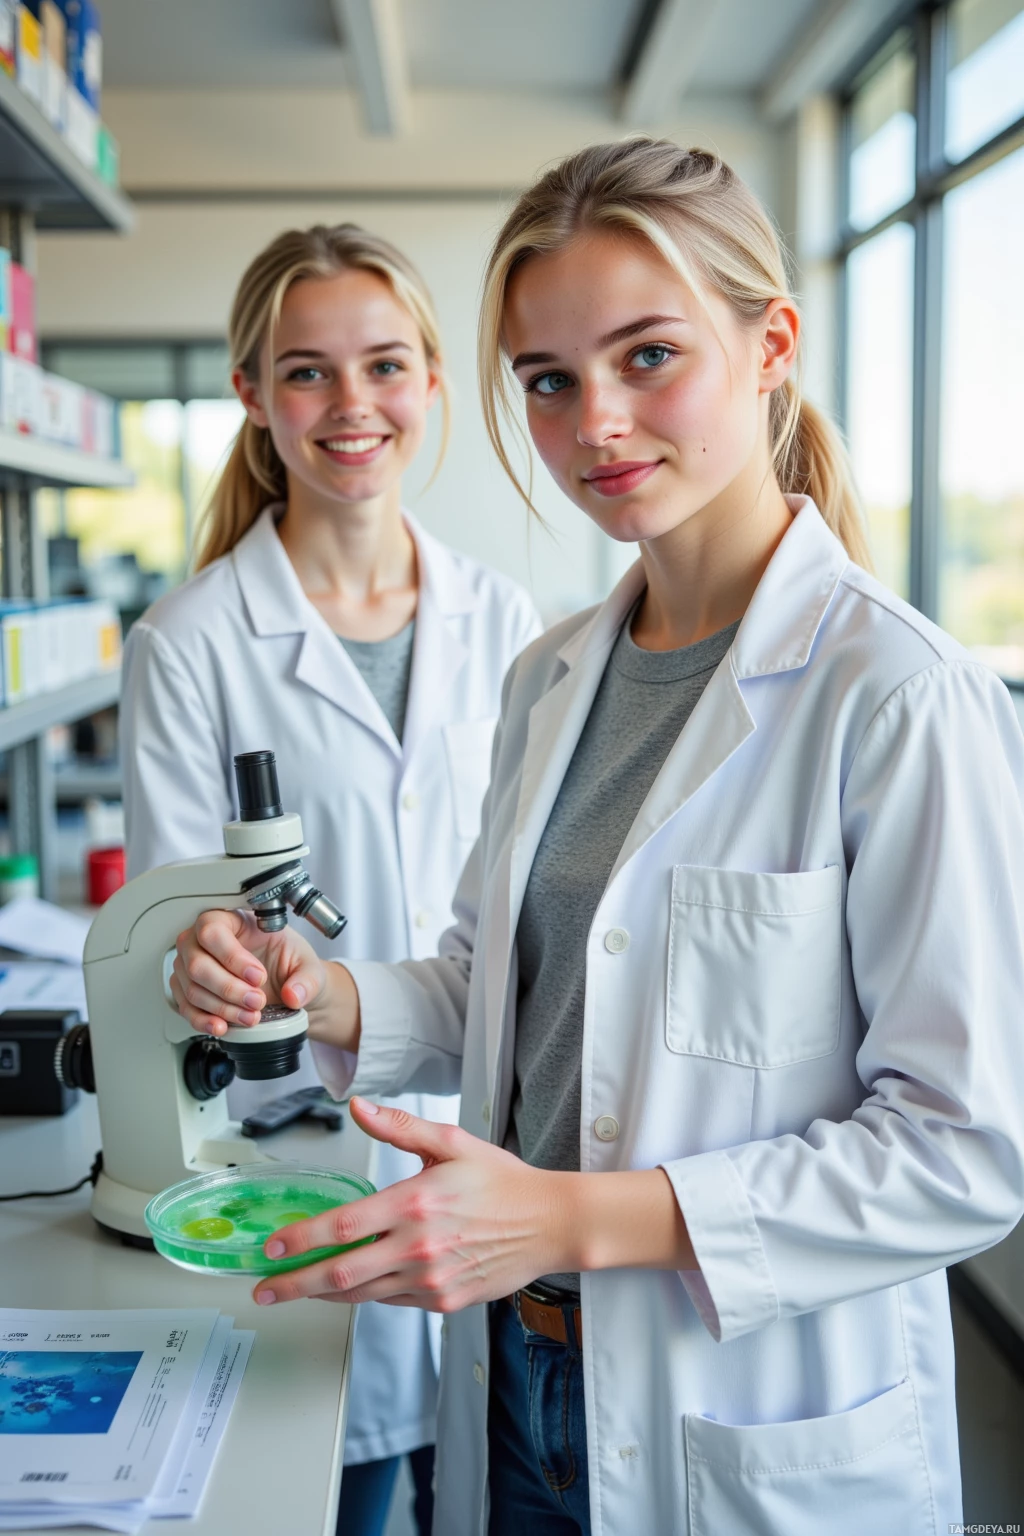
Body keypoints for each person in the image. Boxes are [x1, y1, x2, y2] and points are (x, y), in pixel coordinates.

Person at [168, 143, 1024, 1536]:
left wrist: (570, 1221)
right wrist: (323, 993)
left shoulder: (901, 694)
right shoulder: (553, 673)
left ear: (771, 347)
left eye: (649, 356)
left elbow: (963, 1153)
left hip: (738, 1414)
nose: (597, 424)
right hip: (511, 1380)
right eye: (551, 381)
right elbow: (498, 987)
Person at [119, 222, 541, 1536]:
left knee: (494, 1486)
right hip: (294, 1152)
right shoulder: (189, 642)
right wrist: (209, 962)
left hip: (488, 1150)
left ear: (430, 382)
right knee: (340, 1501)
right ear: (251, 394)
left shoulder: (512, 625)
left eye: (386, 364)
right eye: (306, 372)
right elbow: (176, 927)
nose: (351, 406)